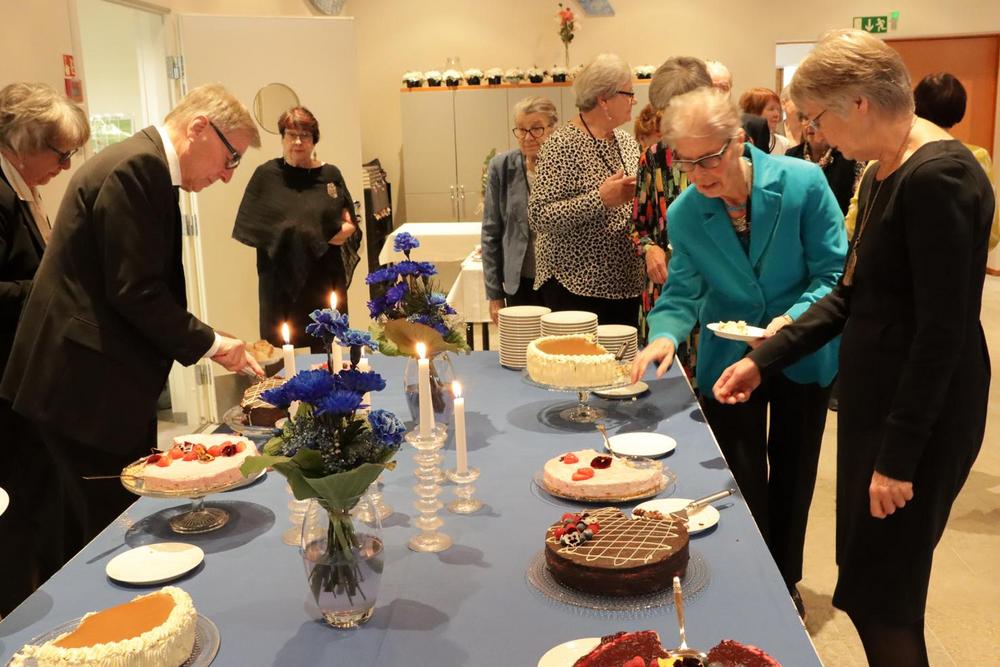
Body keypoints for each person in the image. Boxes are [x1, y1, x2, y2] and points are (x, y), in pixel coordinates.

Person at [714, 30, 993, 667]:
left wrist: (897, 460)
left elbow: (942, 334)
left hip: (918, 420)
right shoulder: (883, 168)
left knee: (883, 600)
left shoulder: (940, 177)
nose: (816, 135)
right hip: (881, 406)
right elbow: (850, 295)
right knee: (868, 585)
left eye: (816, 119)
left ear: (859, 103)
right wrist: (763, 359)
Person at [0, 83, 265, 572]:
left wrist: (207, 337)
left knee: (98, 523)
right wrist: (211, 344)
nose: (228, 176)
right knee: (101, 533)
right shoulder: (136, 167)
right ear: (199, 128)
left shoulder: (144, 166)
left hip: (90, 386)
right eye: (231, 158)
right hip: (81, 390)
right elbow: (135, 291)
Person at [631, 87, 847, 617]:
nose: (699, 175)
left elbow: (832, 274)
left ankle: (785, 582)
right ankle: (750, 577)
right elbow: (682, 291)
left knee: (794, 474)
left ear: (737, 141)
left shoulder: (802, 182)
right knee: (740, 476)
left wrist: (789, 323)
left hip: (802, 350)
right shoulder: (687, 212)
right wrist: (664, 333)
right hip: (729, 359)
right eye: (686, 163)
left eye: (709, 158)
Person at [0, 82, 88, 615]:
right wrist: (48, 288)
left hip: (29, 373)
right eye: (60, 152)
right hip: (5, 378)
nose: (65, 165)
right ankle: (22, 616)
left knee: (46, 493)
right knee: (22, 499)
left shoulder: (22, 190)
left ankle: (49, 599)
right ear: (23, 141)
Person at [528, 54, 642, 327]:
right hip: (575, 287)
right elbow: (539, 216)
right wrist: (600, 199)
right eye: (629, 93)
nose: (635, 101)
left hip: (626, 285)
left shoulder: (626, 141)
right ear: (604, 99)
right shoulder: (562, 144)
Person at [233, 106, 361, 349]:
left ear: (315, 140)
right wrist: (315, 234)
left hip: (324, 277)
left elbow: (349, 223)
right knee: (281, 349)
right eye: (291, 135)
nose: (298, 142)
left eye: (305, 136)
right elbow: (255, 225)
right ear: (282, 138)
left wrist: (327, 233)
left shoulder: (330, 174)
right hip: (280, 281)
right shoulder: (267, 176)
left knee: (329, 346)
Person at [630, 55, 713, 370]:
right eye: (664, 113)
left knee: (716, 384)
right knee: (663, 380)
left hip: (714, 292)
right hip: (666, 290)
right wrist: (649, 249)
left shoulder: (725, 152)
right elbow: (638, 226)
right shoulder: (653, 157)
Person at [481, 96, 557, 323]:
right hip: (520, 281)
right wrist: (495, 295)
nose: (528, 137)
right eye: (522, 130)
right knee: (522, 342)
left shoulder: (564, 165)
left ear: (552, 128)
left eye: (536, 129)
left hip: (560, 282)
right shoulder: (502, 167)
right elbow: (491, 233)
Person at [913, 72, 999, 251]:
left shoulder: (893, 155)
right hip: (962, 260)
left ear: (915, 104)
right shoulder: (977, 157)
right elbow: (992, 229)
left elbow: (856, 222)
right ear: (960, 110)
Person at [786, 110, 861, 215]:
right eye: (805, 119)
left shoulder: (846, 156)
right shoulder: (792, 156)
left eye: (815, 120)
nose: (810, 125)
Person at [705, 60, 772, 152]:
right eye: (712, 87)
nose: (718, 93)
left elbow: (762, 160)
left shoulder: (755, 125)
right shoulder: (691, 125)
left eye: (724, 88)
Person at [739, 87, 791, 154]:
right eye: (771, 109)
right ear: (753, 112)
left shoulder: (783, 143)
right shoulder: (739, 142)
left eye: (778, 109)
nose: (777, 114)